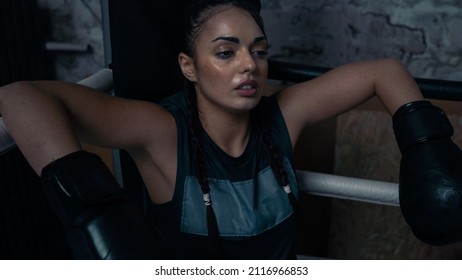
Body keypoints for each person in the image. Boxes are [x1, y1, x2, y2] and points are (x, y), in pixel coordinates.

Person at [0, 0, 460, 259]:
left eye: (258, 51)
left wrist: (428, 146)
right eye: (226, 52)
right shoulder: (163, 131)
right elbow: (20, 95)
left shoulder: (283, 115)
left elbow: (385, 70)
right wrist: (96, 216)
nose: (249, 65)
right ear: (189, 66)